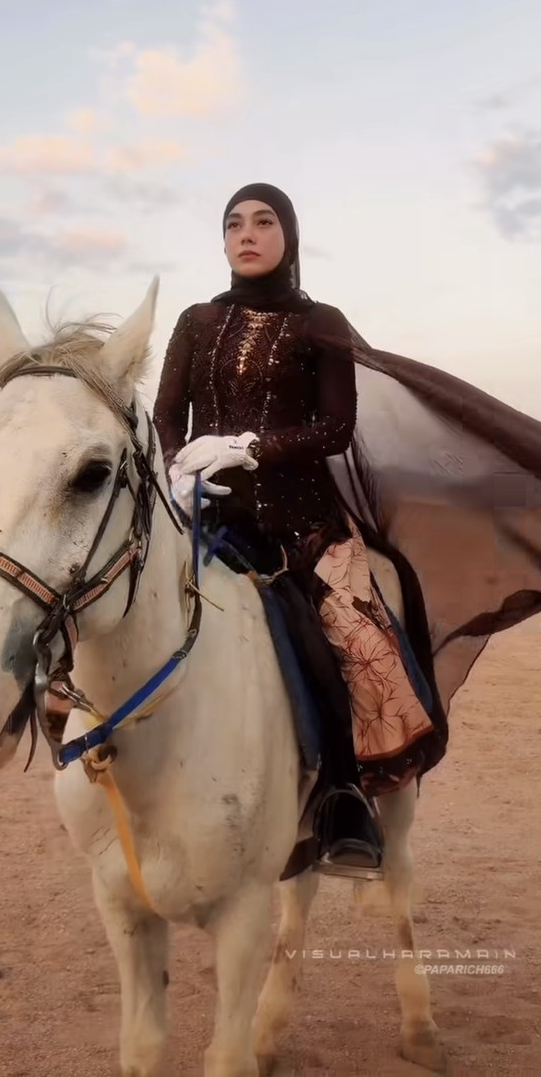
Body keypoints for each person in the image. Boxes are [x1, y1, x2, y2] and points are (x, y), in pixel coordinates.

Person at [153, 182, 541, 879]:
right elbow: (165, 416)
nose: (247, 234)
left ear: (288, 236)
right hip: (207, 521)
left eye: (264, 222)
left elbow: (335, 429)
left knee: (361, 650)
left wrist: (249, 447)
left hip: (303, 529)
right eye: (234, 224)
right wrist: (179, 463)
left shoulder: (319, 323)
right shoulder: (195, 321)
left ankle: (341, 800)